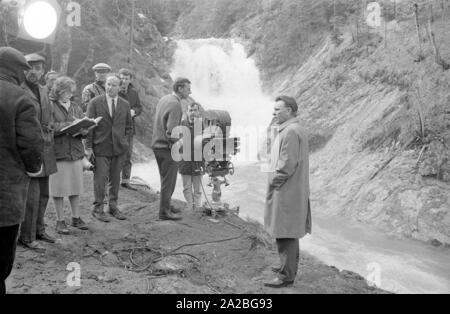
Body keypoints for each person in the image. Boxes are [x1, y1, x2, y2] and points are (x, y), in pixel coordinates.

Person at [0, 47, 44, 294]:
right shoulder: (20, 98)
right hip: (5, 199)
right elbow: (31, 144)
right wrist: (34, 167)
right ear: (16, 71)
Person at [264, 96, 312, 288]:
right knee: (288, 231)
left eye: (277, 110)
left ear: (290, 110)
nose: (274, 113)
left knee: (285, 232)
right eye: (274, 110)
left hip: (286, 190)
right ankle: (287, 267)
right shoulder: (293, 129)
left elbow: (286, 165)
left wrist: (273, 182)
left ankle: (286, 276)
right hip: (290, 189)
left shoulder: (291, 132)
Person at [19, 53, 58, 252]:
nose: (35, 72)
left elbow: (48, 115)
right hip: (30, 148)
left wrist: (50, 126)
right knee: (31, 197)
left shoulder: (44, 90)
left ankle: (40, 229)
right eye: (31, 68)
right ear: (24, 69)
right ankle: (27, 236)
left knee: (44, 194)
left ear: (43, 70)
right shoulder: (19, 90)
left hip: (46, 147)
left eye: (38, 68)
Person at [86, 74, 132, 223]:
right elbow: (88, 126)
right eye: (108, 84)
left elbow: (129, 126)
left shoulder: (125, 104)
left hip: (119, 148)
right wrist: (88, 147)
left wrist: (124, 141)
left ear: (120, 87)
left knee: (115, 179)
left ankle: (113, 206)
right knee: (100, 179)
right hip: (101, 147)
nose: (110, 87)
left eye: (113, 85)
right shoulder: (95, 102)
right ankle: (98, 208)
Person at [49, 76, 89, 234]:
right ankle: (60, 221)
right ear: (59, 91)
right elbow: (49, 126)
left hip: (75, 152)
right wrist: (68, 125)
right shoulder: (50, 106)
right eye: (67, 92)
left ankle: (76, 217)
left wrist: (84, 130)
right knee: (58, 189)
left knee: (75, 187)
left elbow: (81, 126)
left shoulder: (75, 106)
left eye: (72, 92)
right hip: (59, 153)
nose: (70, 95)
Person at [151, 77, 191, 221]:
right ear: (179, 88)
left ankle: (166, 205)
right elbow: (172, 132)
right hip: (167, 148)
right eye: (187, 88)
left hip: (157, 145)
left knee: (164, 179)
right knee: (169, 181)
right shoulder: (175, 104)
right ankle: (164, 212)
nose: (190, 91)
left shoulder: (165, 99)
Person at [118, 68, 143, 191]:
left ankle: (126, 181)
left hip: (129, 129)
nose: (123, 80)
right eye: (121, 78)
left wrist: (134, 111)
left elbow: (139, 107)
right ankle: (113, 180)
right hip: (116, 129)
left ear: (130, 80)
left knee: (128, 155)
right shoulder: (115, 90)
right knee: (116, 154)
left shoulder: (133, 92)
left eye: (126, 78)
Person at [179, 103, 204, 211]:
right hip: (185, 162)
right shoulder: (181, 124)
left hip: (198, 162)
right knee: (186, 187)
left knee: (197, 189)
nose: (192, 112)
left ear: (198, 112)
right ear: (187, 111)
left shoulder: (201, 125)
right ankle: (190, 207)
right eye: (190, 110)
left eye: (195, 110)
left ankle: (197, 208)